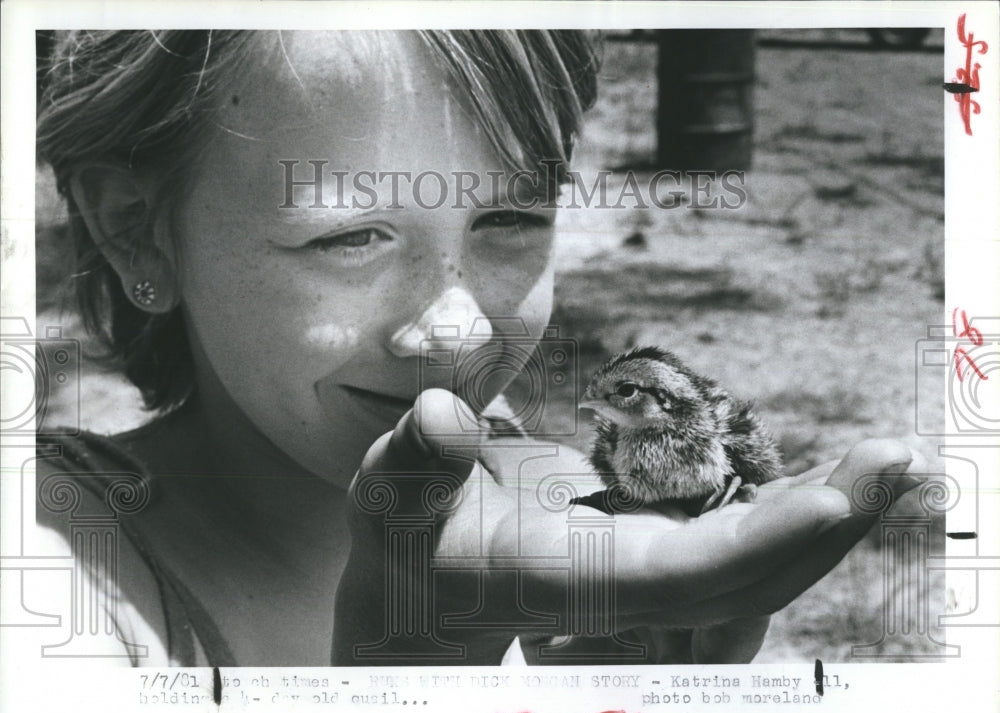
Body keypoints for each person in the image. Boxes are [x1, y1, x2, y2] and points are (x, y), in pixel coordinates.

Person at [32, 29, 929, 667]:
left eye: (509, 218)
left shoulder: (545, 505)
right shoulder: (51, 594)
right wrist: (416, 683)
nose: (459, 329)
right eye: (350, 236)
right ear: (135, 232)